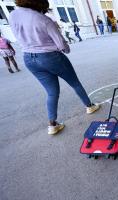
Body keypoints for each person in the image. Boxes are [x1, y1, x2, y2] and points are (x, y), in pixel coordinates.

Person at [10, 0, 100, 135]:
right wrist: (66, 49)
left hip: (28, 58)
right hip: (50, 56)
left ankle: (52, 125)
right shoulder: (43, 19)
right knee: (74, 82)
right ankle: (89, 106)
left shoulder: (13, 15)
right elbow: (61, 44)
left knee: (52, 92)